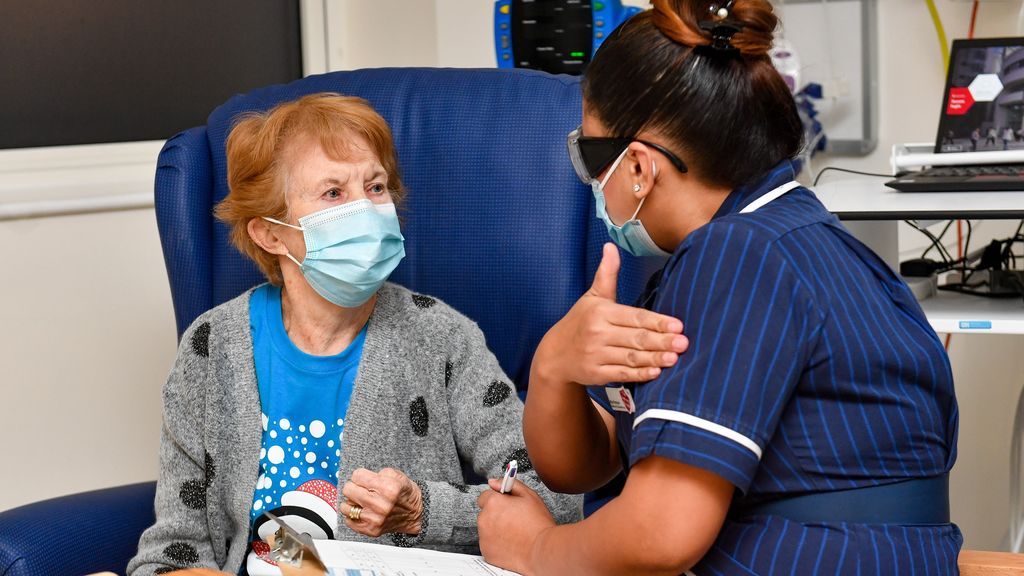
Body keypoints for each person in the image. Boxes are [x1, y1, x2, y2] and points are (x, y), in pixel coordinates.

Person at [476, 1, 960, 574]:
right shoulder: (800, 241)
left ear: (637, 167)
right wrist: (556, 363)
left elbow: (660, 533)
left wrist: (534, 551)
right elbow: (595, 460)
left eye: (590, 155)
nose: (591, 185)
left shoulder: (736, 255)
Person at [128, 93, 580, 575]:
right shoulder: (211, 347)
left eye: (376, 186)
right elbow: (170, 553)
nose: (367, 210)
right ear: (270, 234)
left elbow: (554, 497)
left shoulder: (441, 338)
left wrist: (424, 512)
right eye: (334, 193)